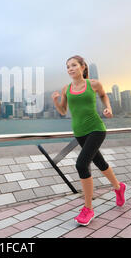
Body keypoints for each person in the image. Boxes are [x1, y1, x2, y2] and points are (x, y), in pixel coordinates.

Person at [52, 55, 126, 226]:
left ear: (83, 67)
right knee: (100, 162)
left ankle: (88, 208)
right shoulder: (66, 89)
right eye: (68, 67)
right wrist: (56, 101)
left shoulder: (93, 84)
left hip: (96, 129)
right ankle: (118, 187)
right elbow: (63, 111)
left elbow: (103, 96)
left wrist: (108, 108)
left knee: (81, 164)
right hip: (79, 132)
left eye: (74, 65)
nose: (70, 69)